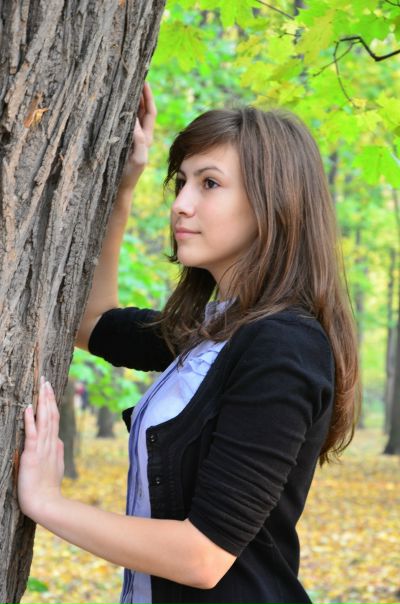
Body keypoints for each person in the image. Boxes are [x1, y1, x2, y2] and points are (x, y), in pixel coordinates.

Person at [18, 82, 360, 604]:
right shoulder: (211, 332)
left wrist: (49, 503)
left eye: (209, 184)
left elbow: (203, 557)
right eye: (181, 182)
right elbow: (91, 322)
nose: (180, 204)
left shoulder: (284, 347)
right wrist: (124, 189)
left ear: (274, 202)